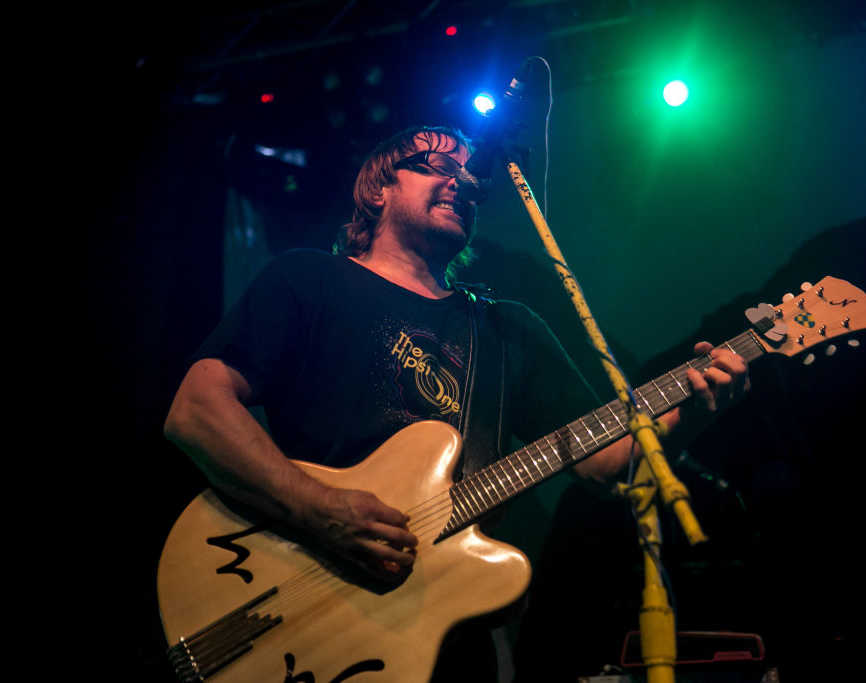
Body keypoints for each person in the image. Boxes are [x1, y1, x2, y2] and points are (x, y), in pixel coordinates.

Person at [163, 124, 750, 681]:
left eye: (471, 179)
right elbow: (196, 411)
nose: (462, 183)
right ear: (379, 187)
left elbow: (609, 467)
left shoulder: (506, 331)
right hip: (296, 587)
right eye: (438, 166)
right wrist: (319, 508)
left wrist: (692, 409)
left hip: (442, 632)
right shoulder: (308, 280)